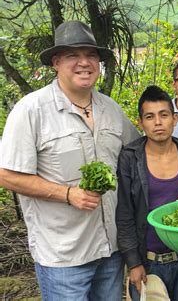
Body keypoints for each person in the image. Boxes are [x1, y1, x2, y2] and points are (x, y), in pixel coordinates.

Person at [0, 21, 140, 300]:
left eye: (91, 55)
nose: (84, 63)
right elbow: (6, 175)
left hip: (110, 251)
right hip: (63, 257)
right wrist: (67, 194)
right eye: (73, 55)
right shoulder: (31, 110)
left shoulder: (111, 110)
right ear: (56, 62)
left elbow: (140, 153)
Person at [116, 86, 178, 301]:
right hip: (148, 261)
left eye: (163, 115)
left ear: (174, 119)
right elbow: (124, 212)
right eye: (150, 116)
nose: (158, 122)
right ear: (141, 122)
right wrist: (133, 263)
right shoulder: (130, 158)